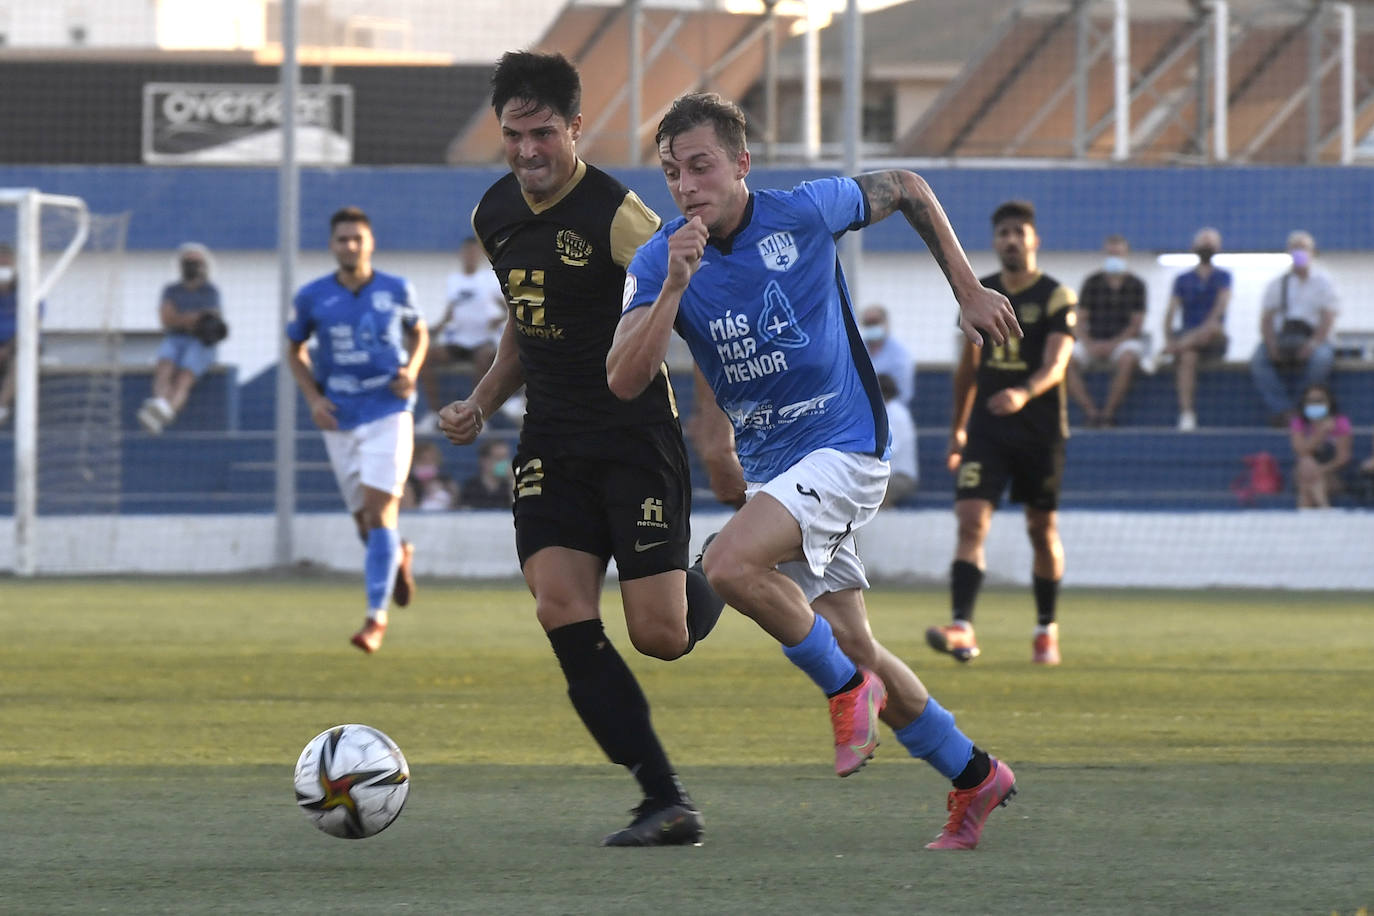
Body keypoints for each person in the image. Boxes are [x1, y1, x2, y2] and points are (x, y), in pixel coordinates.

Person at [609, 90, 1022, 851]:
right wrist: (673, 285)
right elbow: (623, 377)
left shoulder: (804, 210)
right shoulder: (660, 258)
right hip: (778, 475)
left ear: (741, 164)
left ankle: (842, 692)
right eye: (672, 173)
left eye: (701, 167)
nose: (687, 185)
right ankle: (974, 775)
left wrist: (967, 287)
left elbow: (909, 189)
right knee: (857, 645)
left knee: (730, 565)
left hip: (847, 446)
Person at [436, 51, 726, 848]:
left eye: (542, 134)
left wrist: (716, 423)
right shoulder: (493, 214)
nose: (527, 151)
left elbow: (692, 312)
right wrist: (480, 401)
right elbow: (526, 323)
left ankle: (722, 573)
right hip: (551, 441)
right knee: (561, 606)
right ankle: (662, 798)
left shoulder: (620, 216)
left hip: (635, 438)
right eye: (513, 135)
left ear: (575, 129)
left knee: (660, 636)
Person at [925, 200, 1076, 668]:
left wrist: (1023, 394)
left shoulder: (1055, 295)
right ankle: (962, 627)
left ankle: (1045, 628)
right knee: (971, 519)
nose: (1011, 239)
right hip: (988, 431)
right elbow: (966, 371)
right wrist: (957, 432)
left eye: (1019, 232)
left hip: (1040, 430)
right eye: (1004, 232)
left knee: (1040, 528)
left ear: (1035, 240)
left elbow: (1057, 364)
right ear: (995, 241)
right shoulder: (980, 292)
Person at [285, 206, 425, 654]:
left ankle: (374, 620)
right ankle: (398, 553)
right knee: (365, 523)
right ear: (332, 245)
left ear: (370, 243)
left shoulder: (396, 288)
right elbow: (293, 350)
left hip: (388, 409)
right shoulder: (312, 297)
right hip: (339, 416)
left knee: (379, 511)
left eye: (357, 239)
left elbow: (419, 334)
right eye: (342, 239)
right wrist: (313, 399)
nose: (350, 246)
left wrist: (412, 371)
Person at [416, 236, 507, 433]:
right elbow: (451, 310)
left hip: (482, 341)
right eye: (467, 252)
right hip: (459, 341)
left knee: (484, 359)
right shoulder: (454, 281)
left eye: (474, 252)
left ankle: (480, 414)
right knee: (426, 357)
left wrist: (497, 320)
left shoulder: (489, 280)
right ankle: (433, 413)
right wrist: (438, 327)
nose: (470, 256)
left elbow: (507, 308)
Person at [137, 242, 228, 435]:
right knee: (165, 364)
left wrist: (181, 318)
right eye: (187, 261)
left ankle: (166, 412)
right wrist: (192, 318)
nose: (191, 266)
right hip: (176, 338)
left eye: (196, 262)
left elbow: (209, 320)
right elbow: (166, 319)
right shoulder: (171, 290)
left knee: (185, 375)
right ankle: (160, 403)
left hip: (200, 341)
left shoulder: (210, 291)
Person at [1250, 231, 1339, 427]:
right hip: (1285, 338)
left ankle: (1301, 408)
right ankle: (1284, 410)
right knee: (1258, 360)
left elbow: (1328, 317)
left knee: (1321, 360)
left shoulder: (1324, 282)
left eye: (1304, 248)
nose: (1300, 253)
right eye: (1295, 248)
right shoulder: (1277, 284)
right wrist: (1272, 345)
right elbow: (1266, 319)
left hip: (1315, 339)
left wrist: (1313, 344)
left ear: (1313, 252)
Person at [1065, 234, 1147, 427]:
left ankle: (1108, 414)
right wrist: (1089, 343)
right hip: (1093, 341)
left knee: (1128, 359)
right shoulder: (1092, 283)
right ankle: (1091, 412)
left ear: (1126, 254)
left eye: (1118, 253)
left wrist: (1112, 344)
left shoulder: (1136, 285)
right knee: (1064, 361)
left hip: (1123, 343)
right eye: (1111, 253)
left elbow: (1136, 325)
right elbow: (1078, 319)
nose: (1115, 256)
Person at [1158, 227, 1231, 431]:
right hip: (1187, 340)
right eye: (1203, 243)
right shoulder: (1182, 279)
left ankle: (1166, 353)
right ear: (1193, 247)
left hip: (1214, 337)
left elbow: (1220, 309)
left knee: (1213, 330)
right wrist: (1168, 338)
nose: (1206, 247)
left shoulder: (1223, 277)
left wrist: (1180, 343)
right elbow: (1170, 312)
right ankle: (1187, 413)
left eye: (1211, 244)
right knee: (1188, 358)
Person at [1288, 383, 1352, 509]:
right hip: (1303, 471)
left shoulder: (1340, 422)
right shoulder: (1299, 422)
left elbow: (1343, 458)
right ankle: (1324, 508)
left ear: (1329, 402)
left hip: (1332, 475)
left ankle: (1307, 515)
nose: (1314, 404)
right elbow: (1300, 450)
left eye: (1319, 400)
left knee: (1307, 484)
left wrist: (1321, 470)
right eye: (1310, 401)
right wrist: (1321, 433)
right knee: (1306, 462)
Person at [859, 304, 914, 405]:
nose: (871, 327)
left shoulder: (900, 354)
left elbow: (904, 393)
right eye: (867, 324)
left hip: (889, 408)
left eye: (875, 322)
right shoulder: (857, 348)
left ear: (886, 323)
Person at [878, 373, 918, 508]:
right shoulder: (890, 411)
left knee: (869, 490)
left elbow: (890, 448)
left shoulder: (895, 414)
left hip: (901, 477)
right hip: (890, 476)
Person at [402, 439, 459, 511]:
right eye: (423, 460)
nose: (427, 463)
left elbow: (455, 508)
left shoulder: (448, 483)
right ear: (414, 462)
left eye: (432, 460)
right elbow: (408, 511)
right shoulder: (406, 485)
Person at [459, 437, 514, 509]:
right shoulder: (471, 488)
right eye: (499, 458)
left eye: (506, 458)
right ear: (484, 461)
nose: (504, 463)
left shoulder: (510, 486)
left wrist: (512, 481)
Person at [0, 244, 19, 427]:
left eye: (7, 263)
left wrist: (8, 348)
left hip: (17, 343)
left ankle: (2, 407)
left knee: (22, 361)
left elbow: (33, 324)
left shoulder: (27, 288)